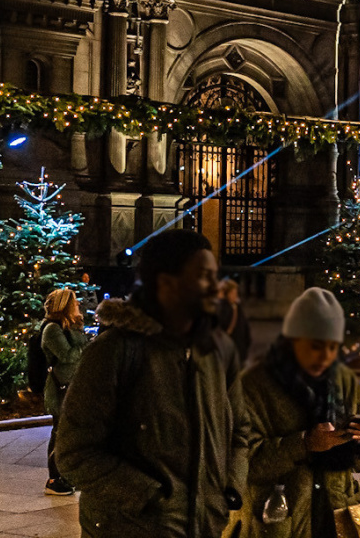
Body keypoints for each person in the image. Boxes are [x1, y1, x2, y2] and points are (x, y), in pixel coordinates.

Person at [56, 229, 246, 538]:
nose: (217, 287)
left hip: (204, 527)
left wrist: (227, 490)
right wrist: (154, 498)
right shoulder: (114, 351)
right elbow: (74, 454)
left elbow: (240, 430)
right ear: (166, 283)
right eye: (204, 276)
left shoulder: (217, 353)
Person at [237, 287, 360, 537]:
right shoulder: (256, 384)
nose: (325, 356)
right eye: (316, 346)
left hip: (338, 514)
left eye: (332, 347)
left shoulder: (343, 380)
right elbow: (244, 462)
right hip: (282, 521)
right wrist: (303, 444)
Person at [39, 288, 91, 497]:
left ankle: (68, 475)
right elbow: (67, 355)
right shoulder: (52, 329)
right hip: (60, 388)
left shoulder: (71, 327)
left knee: (72, 433)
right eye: (74, 302)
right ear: (65, 305)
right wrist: (88, 348)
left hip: (75, 386)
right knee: (60, 432)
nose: (78, 305)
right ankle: (54, 478)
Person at [218, 278, 253, 362]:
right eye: (232, 293)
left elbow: (245, 327)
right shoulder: (224, 308)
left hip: (238, 351)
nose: (235, 295)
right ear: (226, 294)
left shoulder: (236, 307)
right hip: (229, 351)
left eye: (235, 293)